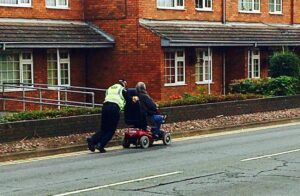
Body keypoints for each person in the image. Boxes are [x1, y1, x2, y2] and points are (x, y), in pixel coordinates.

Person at [87, 80, 130, 153]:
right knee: (111, 130)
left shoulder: (109, 88)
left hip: (105, 107)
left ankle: (92, 140)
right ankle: (101, 145)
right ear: (123, 84)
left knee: (104, 128)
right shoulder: (121, 89)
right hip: (114, 108)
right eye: (125, 84)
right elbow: (128, 99)